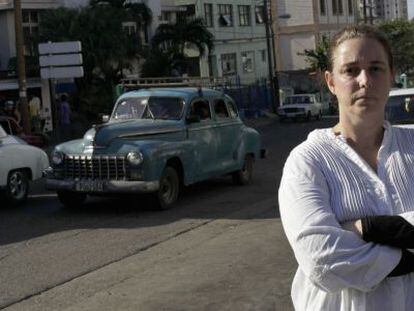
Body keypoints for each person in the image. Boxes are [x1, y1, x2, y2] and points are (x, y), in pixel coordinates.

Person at [279, 25, 414, 310]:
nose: (365, 80)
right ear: (330, 82)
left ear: (391, 75)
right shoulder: (308, 161)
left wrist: (363, 228)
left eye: (376, 69)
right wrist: (407, 255)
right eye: (351, 70)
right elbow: (321, 258)